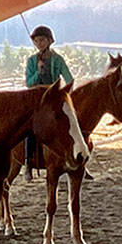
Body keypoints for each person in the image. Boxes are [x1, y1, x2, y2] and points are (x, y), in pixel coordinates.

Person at [23, 26, 74, 180]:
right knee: (28, 129)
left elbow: (69, 78)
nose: (39, 43)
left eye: (42, 40)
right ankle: (27, 162)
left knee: (68, 125)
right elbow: (29, 83)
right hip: (37, 100)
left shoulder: (58, 60)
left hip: (53, 100)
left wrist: (65, 95)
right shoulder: (32, 61)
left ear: (49, 41)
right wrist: (38, 72)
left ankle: (71, 159)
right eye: (37, 41)